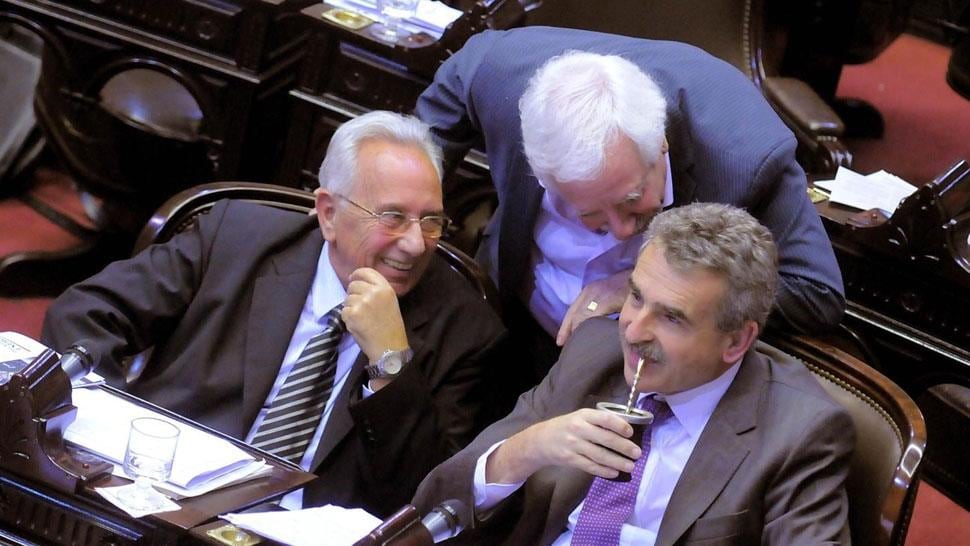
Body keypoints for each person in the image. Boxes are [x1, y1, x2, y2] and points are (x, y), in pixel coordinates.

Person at [41, 111, 506, 517]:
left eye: (431, 221)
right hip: (163, 496)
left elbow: (422, 493)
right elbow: (85, 314)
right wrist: (112, 433)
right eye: (393, 217)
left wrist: (390, 363)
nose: (415, 242)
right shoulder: (237, 237)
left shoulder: (465, 327)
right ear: (328, 213)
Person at [416, 26, 845, 380]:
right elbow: (443, 102)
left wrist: (639, 286)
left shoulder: (744, 156)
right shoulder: (502, 78)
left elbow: (816, 294)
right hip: (511, 324)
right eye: (588, 216)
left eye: (634, 202)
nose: (622, 230)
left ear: (659, 146)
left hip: (651, 377)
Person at [413, 203, 854, 545]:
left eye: (672, 319)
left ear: (736, 341)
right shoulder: (594, 352)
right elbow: (432, 508)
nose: (634, 331)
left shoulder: (800, 432)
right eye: (637, 297)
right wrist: (525, 450)